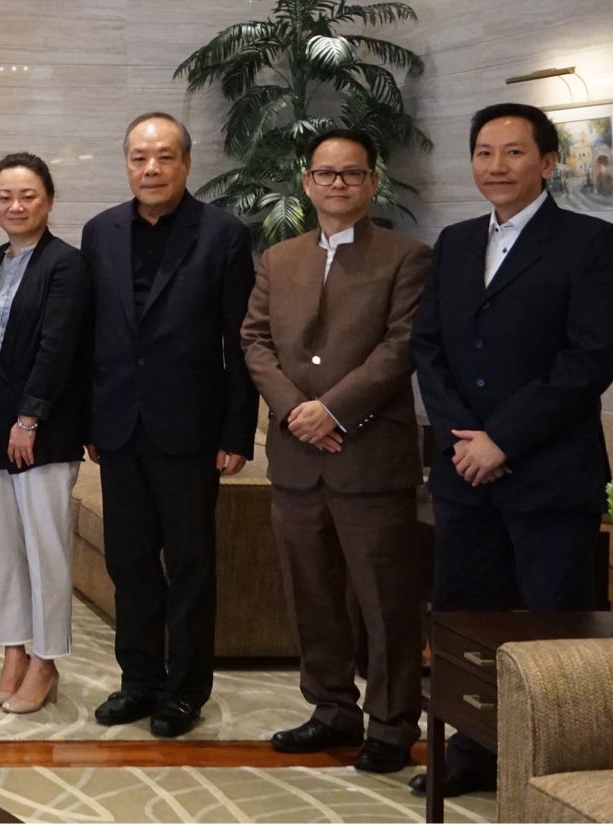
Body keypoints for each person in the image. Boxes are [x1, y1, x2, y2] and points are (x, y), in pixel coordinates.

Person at [409, 103, 613, 798]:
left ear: (548, 162)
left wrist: (502, 440)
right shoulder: (455, 241)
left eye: (513, 152)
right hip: (464, 472)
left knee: (554, 621)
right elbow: (429, 348)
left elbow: (589, 359)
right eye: (484, 152)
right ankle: (471, 753)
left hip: (548, 472)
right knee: (464, 617)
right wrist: (463, 439)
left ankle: (558, 765)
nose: (496, 166)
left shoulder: (588, 242)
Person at [240, 129, 432, 774]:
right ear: (306, 182)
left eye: (352, 173)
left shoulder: (407, 256)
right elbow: (254, 341)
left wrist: (334, 410)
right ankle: (330, 709)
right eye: (325, 173)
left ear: (373, 182)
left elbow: (400, 347)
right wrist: (297, 411)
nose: (337, 183)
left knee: (386, 600)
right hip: (297, 461)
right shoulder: (280, 258)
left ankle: (393, 722)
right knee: (311, 594)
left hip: (369, 457)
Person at [81, 111, 258, 738]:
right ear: (127, 163)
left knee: (189, 565)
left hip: (190, 429)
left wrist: (237, 432)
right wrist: (89, 420)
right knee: (129, 563)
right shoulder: (100, 232)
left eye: (163, 157)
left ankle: (184, 690)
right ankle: (139, 680)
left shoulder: (223, 235)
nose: (150, 169)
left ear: (185, 163)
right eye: (139, 157)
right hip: (119, 427)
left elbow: (240, 341)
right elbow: (91, 336)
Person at [0, 152, 91, 717]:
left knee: (46, 552)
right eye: (5, 197)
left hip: (42, 433)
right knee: (5, 553)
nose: (15, 206)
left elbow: (57, 347)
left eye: (28, 196)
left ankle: (46, 661)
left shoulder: (66, 264)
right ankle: (14, 653)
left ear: (49, 200)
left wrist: (29, 419)